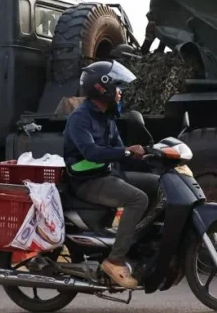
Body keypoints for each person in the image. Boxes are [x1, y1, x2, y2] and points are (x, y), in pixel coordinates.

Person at [62, 60, 160, 289]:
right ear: (101, 88)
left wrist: (149, 155)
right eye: (117, 87)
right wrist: (126, 151)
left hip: (106, 175)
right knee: (138, 199)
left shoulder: (107, 117)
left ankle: (137, 242)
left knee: (159, 184)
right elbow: (92, 152)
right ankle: (115, 259)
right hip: (86, 182)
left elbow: (120, 152)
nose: (120, 93)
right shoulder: (80, 118)